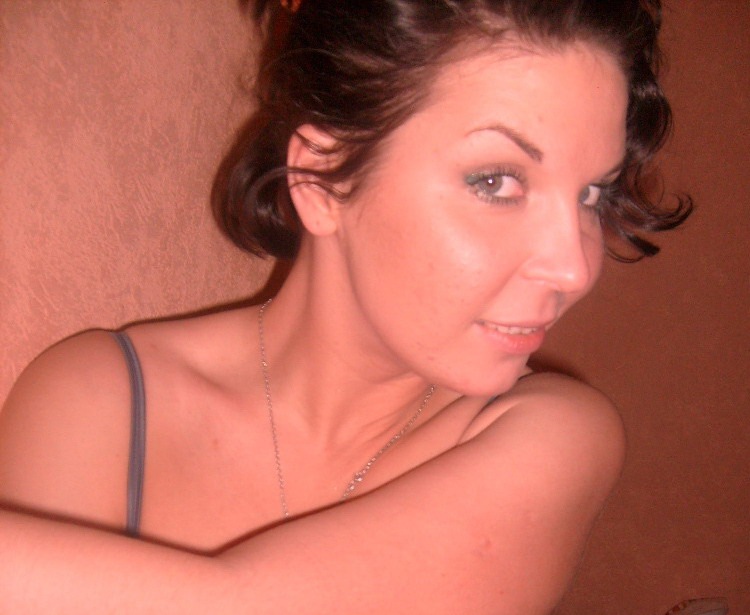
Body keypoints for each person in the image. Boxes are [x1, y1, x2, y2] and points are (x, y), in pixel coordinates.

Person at [0, 0, 691, 612]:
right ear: (320, 178)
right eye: (496, 182)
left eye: (591, 195)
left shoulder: (557, 437)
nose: (573, 266)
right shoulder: (101, 399)